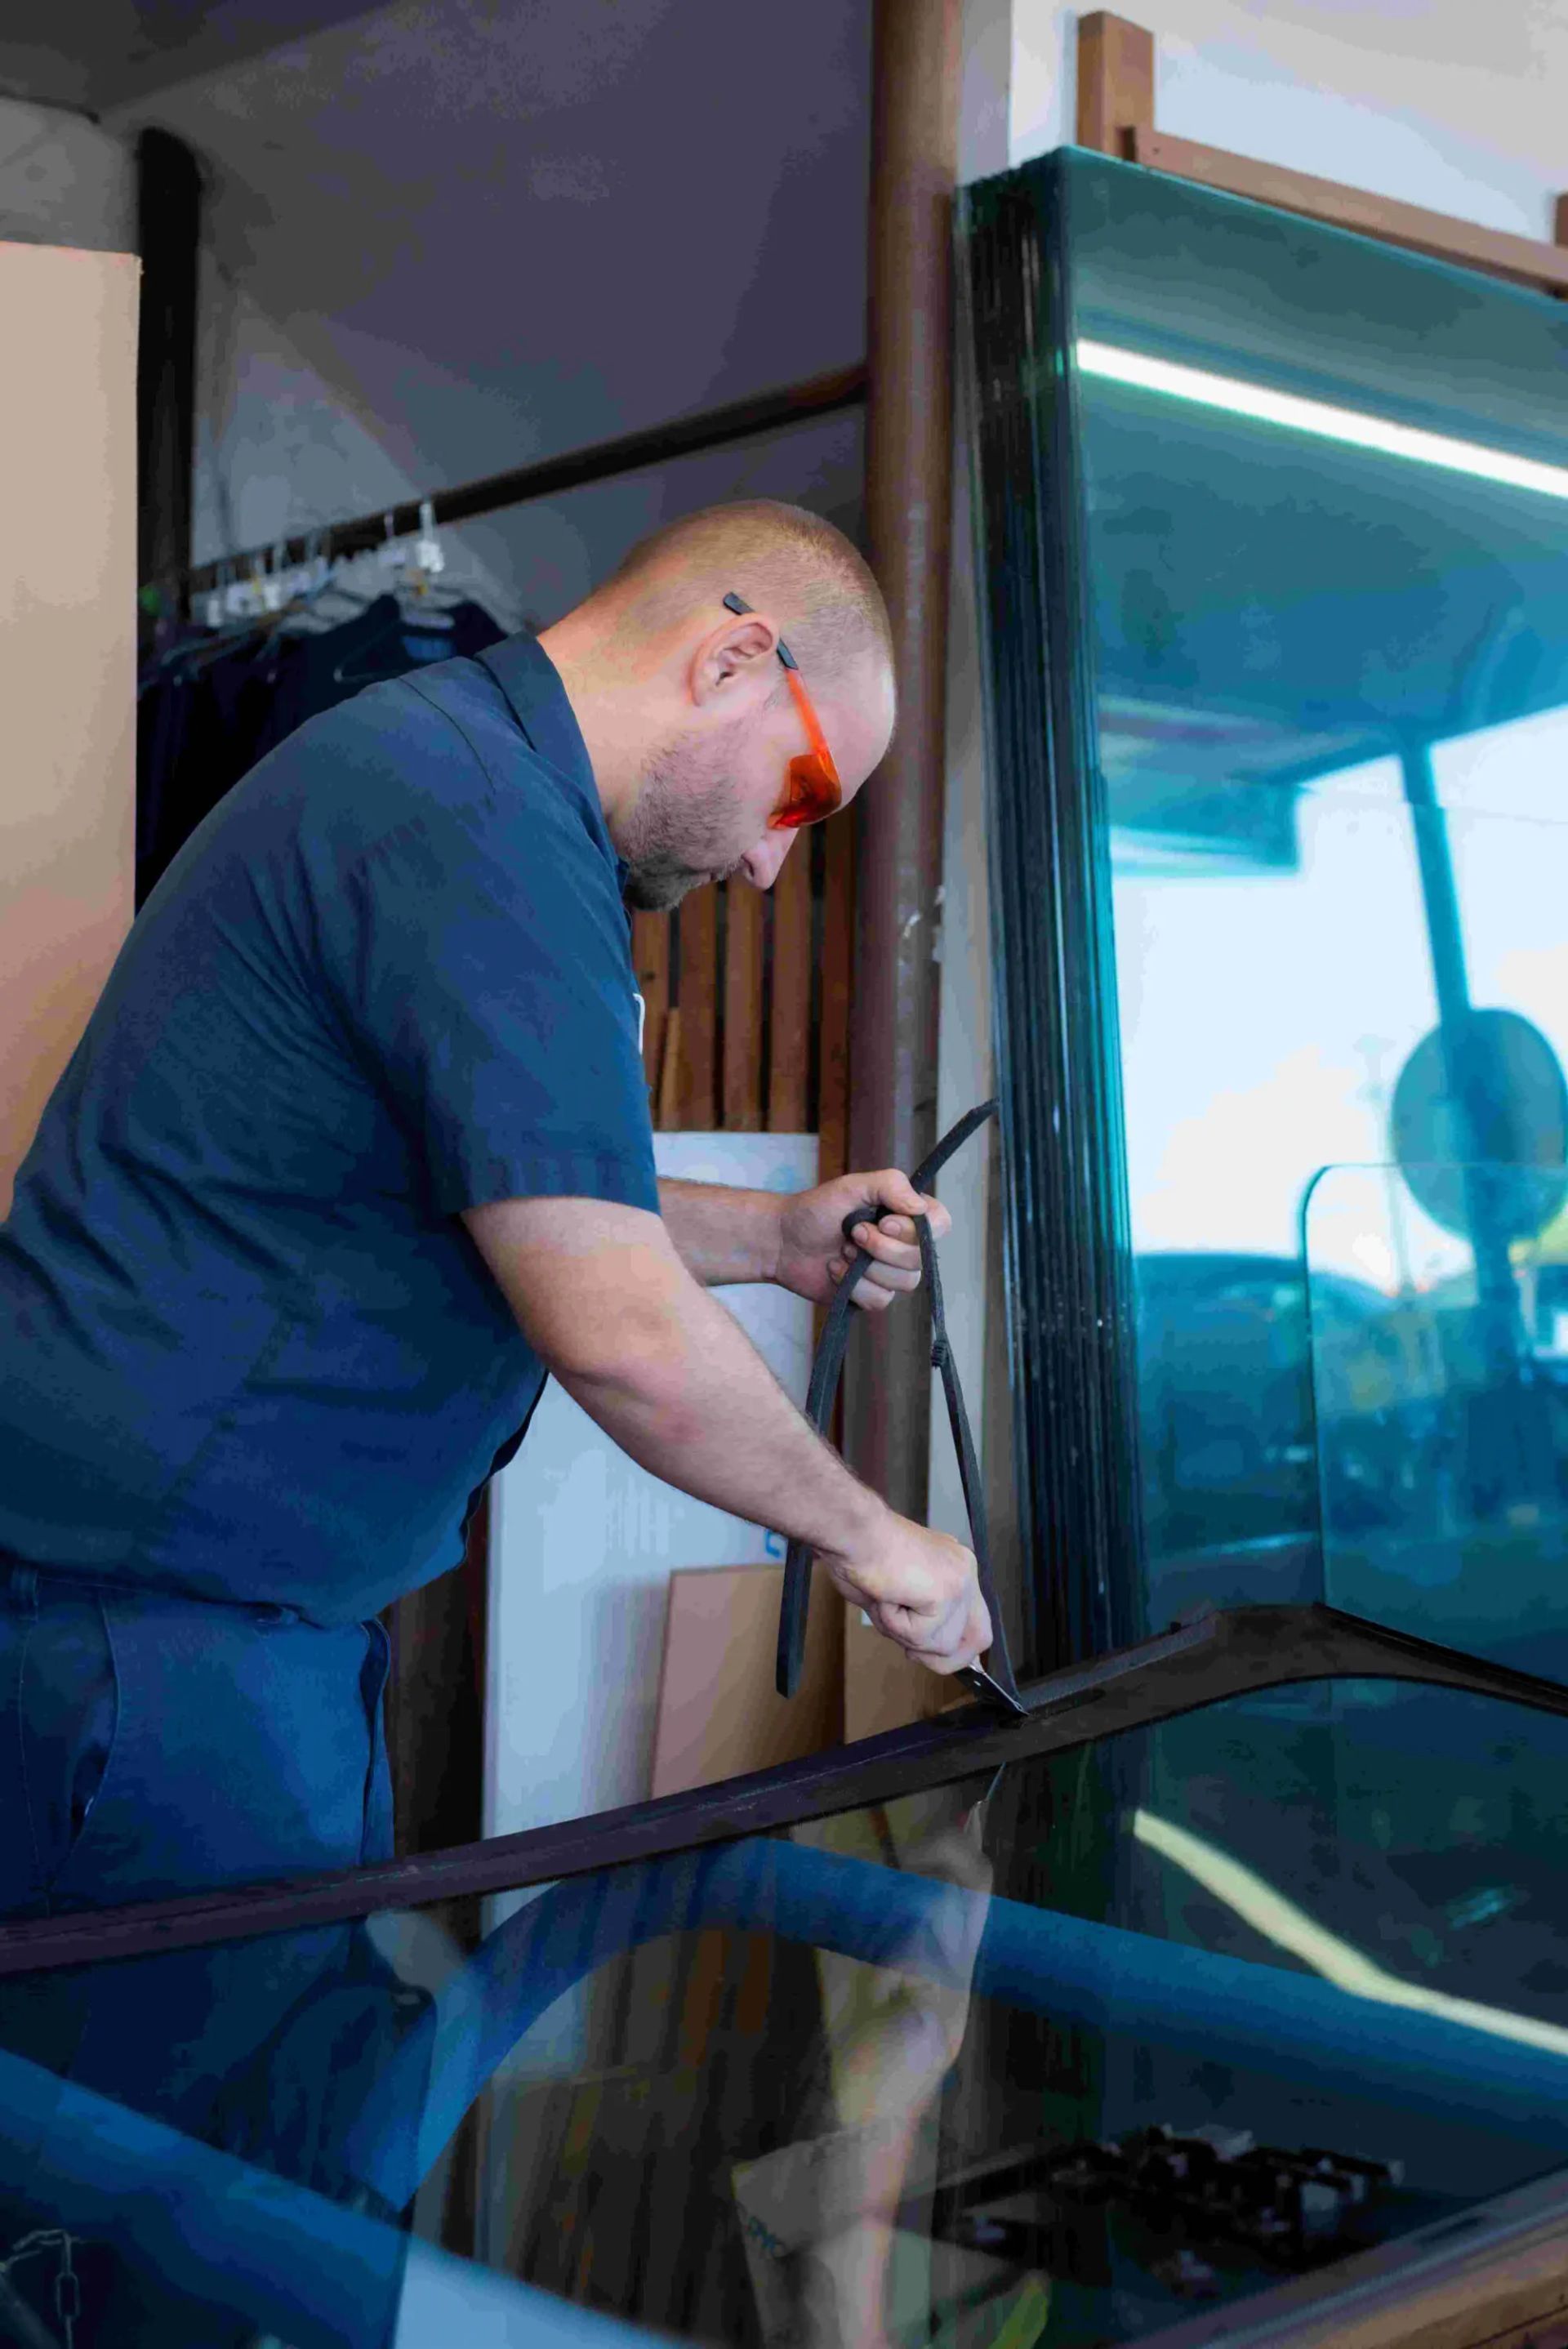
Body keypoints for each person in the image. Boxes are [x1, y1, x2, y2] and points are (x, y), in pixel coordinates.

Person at [0, 497, 990, 1927]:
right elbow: (620, 1330)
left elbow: (526, 1193)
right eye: (800, 796)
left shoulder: (455, 778)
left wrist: (773, 1244)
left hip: (188, 1630)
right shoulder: (480, 828)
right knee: (207, 2134)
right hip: (150, 1656)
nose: (770, 865)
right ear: (732, 663)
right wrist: (879, 1540)